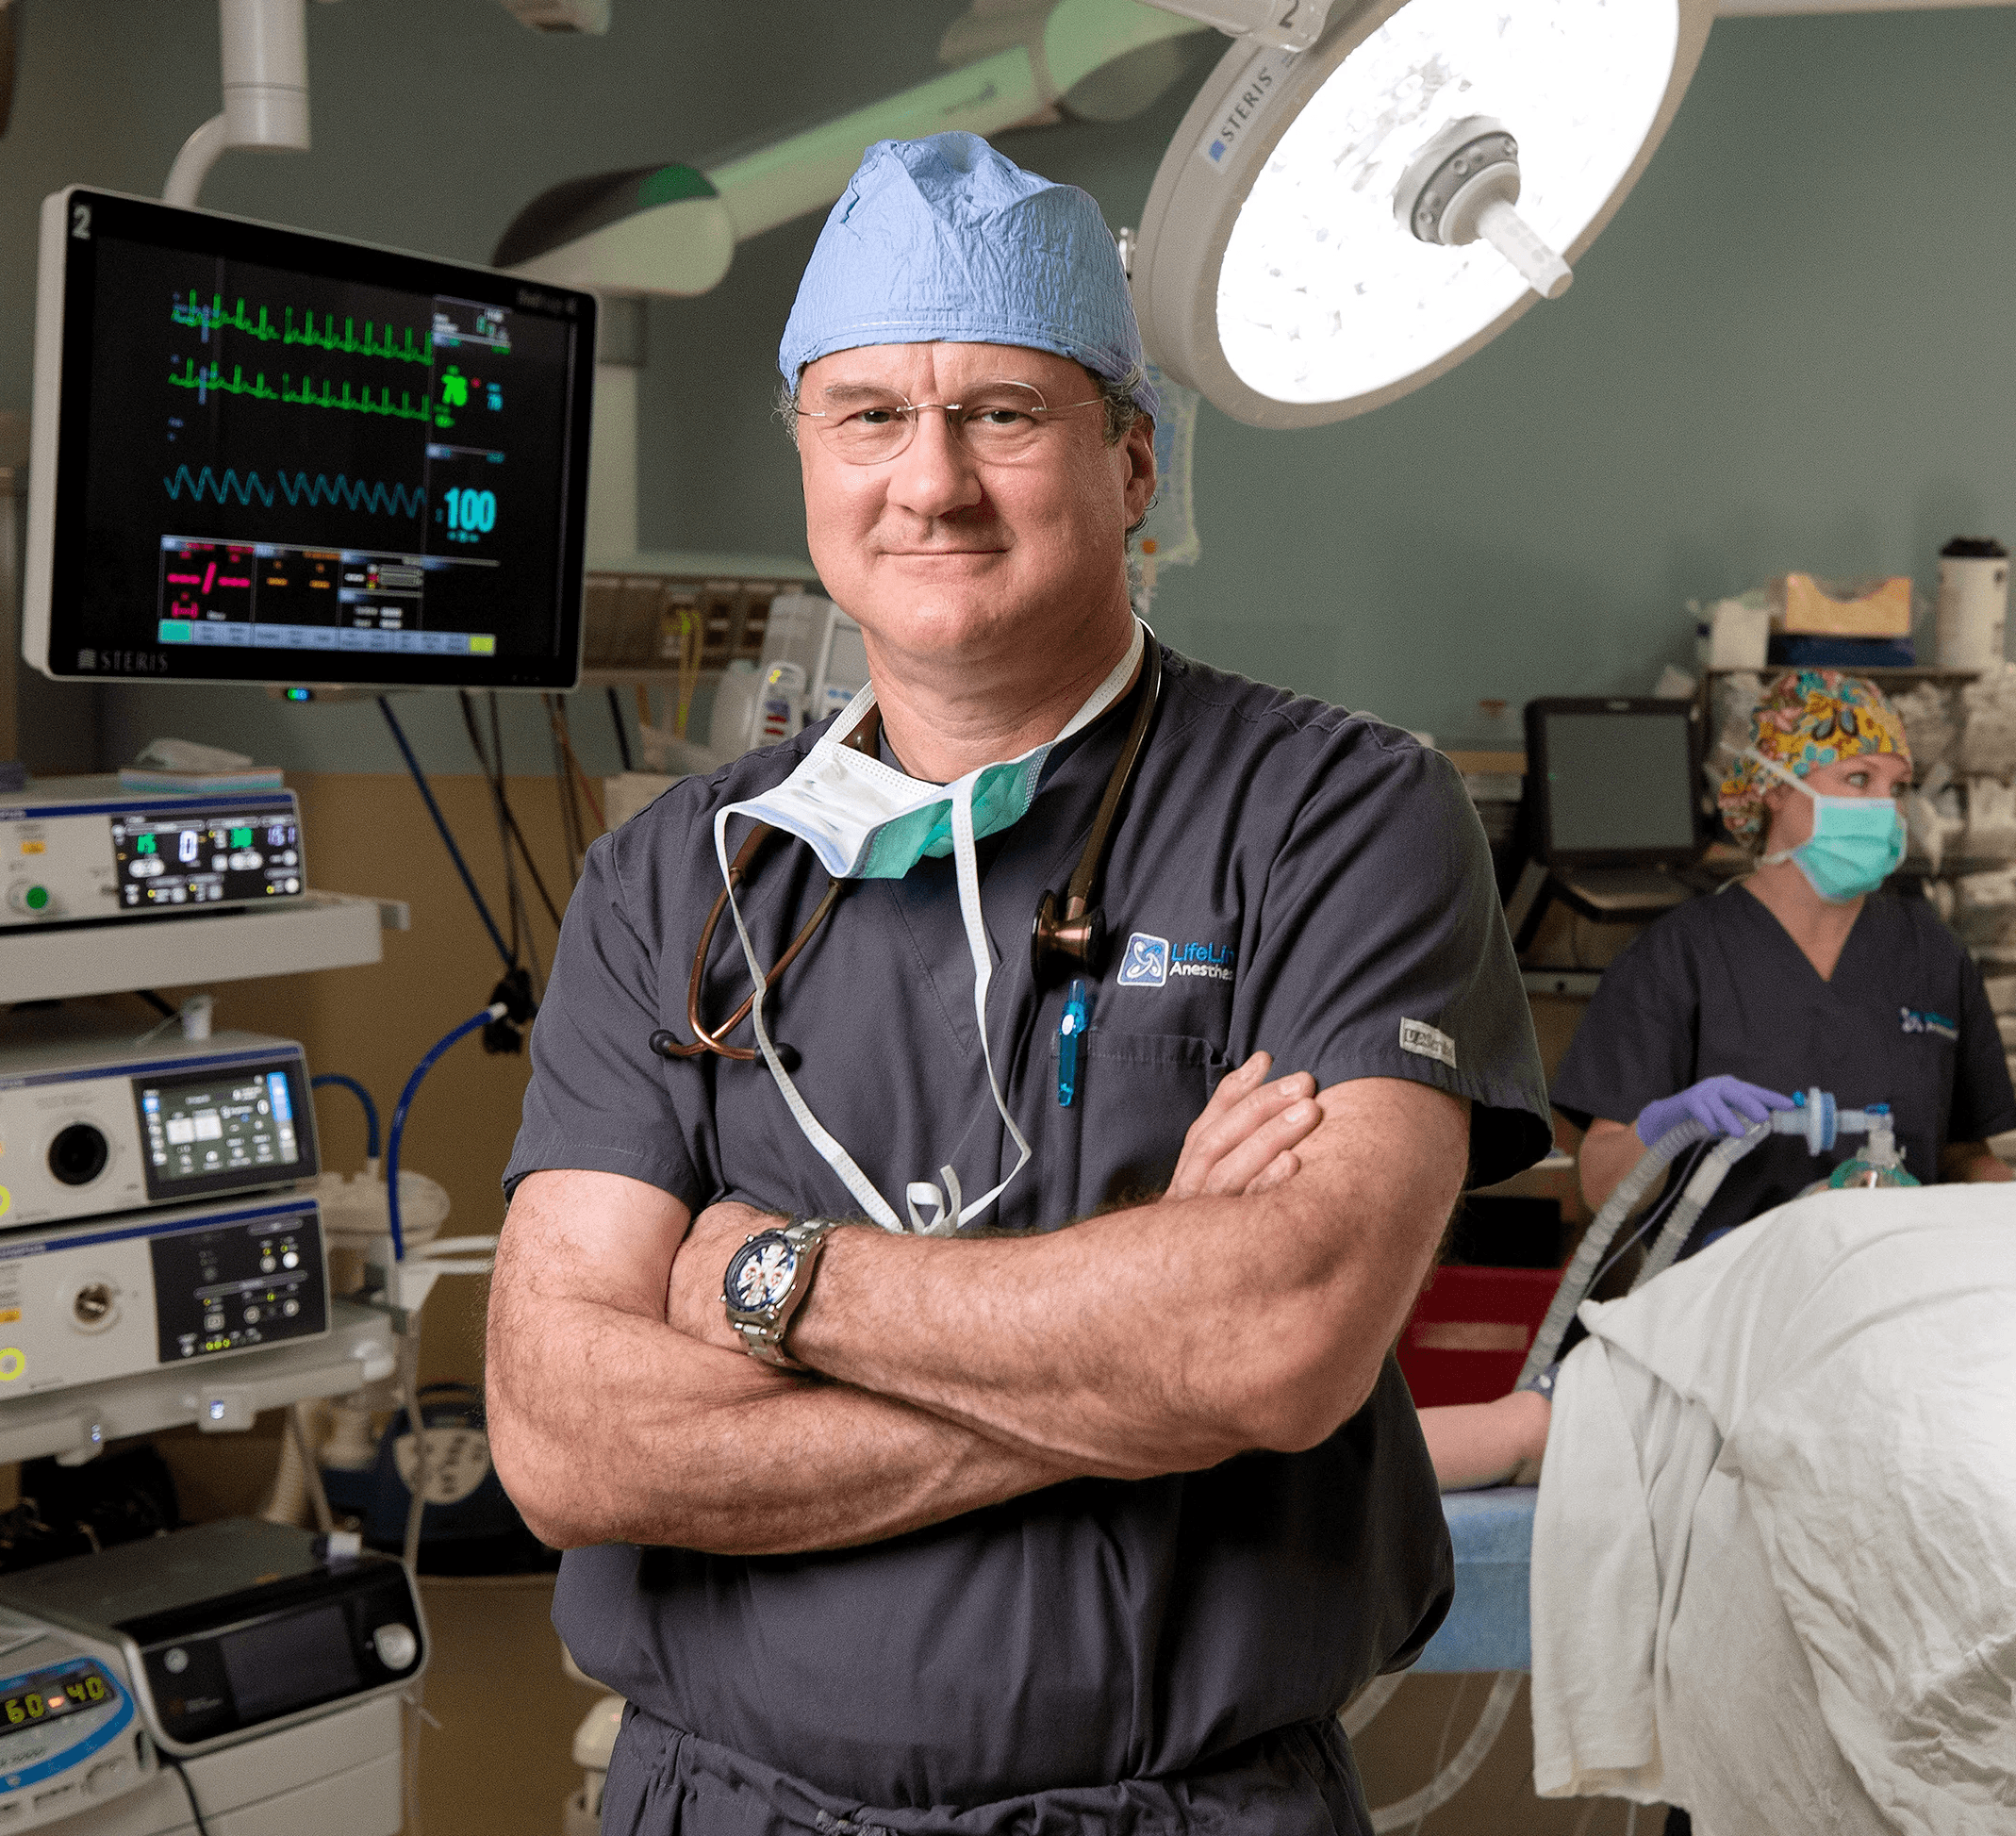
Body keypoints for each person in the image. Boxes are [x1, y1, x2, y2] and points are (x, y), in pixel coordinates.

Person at [487, 131, 1550, 1836]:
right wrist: (1143, 1382)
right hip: (725, 1805)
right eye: (869, 417)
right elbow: (567, 1440)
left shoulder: (1338, 813)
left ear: (1134, 464)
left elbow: (1276, 1337)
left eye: (1002, 413)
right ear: (812, 463)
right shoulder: (676, 875)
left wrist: (762, 1277)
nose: (931, 482)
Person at [1554, 670, 2013, 1249]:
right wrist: (1662, 1129)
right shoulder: (1677, 957)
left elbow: (1965, 1156)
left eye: (1896, 788)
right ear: (1774, 787)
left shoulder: (1929, 952)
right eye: (1857, 778)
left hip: (1884, 1294)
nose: (1884, 809)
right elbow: (1600, 1188)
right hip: (1724, 1301)